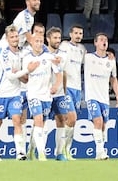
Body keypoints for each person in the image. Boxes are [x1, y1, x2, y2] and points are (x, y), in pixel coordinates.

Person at [0, 25, 39, 161]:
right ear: (7, 38)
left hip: (15, 94)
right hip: (1, 94)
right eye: (12, 37)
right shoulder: (4, 54)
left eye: (16, 36)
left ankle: (20, 153)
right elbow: (11, 76)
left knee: (17, 120)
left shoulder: (23, 52)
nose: (15, 39)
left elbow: (24, 78)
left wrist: (23, 72)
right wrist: (26, 70)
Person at [23, 34, 62, 161]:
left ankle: (31, 150)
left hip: (46, 96)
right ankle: (42, 154)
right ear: (31, 43)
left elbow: (58, 74)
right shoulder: (26, 58)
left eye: (41, 41)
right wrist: (27, 71)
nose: (39, 43)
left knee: (41, 124)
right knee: (38, 120)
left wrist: (56, 86)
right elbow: (24, 78)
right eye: (36, 41)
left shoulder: (49, 57)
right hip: (33, 94)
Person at [84, 32, 118, 160]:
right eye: (100, 39)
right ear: (95, 43)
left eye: (105, 40)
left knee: (104, 125)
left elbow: (114, 79)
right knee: (98, 121)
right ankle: (100, 151)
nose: (104, 42)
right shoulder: (88, 57)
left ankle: (99, 152)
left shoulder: (111, 60)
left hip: (104, 97)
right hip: (92, 96)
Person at [59, 25, 86, 160]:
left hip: (77, 88)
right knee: (71, 118)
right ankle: (63, 150)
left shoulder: (82, 50)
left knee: (72, 121)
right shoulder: (64, 45)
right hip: (66, 87)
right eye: (76, 33)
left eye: (80, 33)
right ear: (70, 34)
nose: (78, 35)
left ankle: (66, 150)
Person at [43, 26, 70, 161]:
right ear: (48, 39)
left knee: (62, 120)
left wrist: (64, 92)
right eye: (55, 38)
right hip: (44, 93)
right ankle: (38, 151)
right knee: (41, 122)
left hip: (59, 94)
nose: (58, 40)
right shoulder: (42, 54)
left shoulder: (63, 55)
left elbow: (64, 74)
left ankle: (59, 153)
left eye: (59, 38)